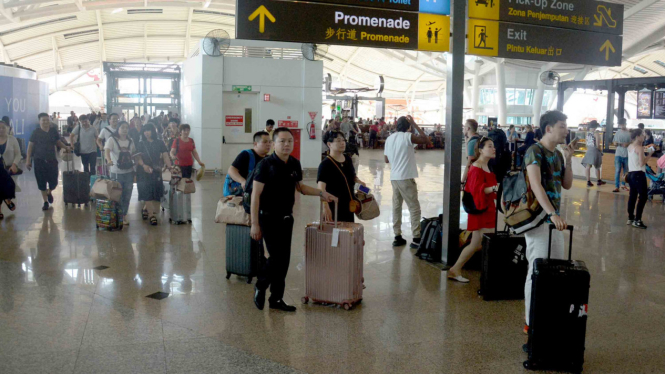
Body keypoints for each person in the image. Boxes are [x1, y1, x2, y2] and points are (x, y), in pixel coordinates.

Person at [251, 128, 337, 312]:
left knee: (284, 261)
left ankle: (276, 299)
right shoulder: (265, 165)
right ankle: (261, 284)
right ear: (274, 144)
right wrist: (254, 223)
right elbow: (255, 196)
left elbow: (300, 187)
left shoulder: (294, 164)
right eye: (282, 141)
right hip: (267, 217)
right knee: (275, 258)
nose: (287, 144)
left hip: (286, 218)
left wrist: (322, 194)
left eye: (290, 141)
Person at [523, 110, 574, 333]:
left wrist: (569, 159)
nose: (566, 130)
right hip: (538, 218)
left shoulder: (558, 154)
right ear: (549, 128)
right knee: (537, 269)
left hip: (553, 220)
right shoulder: (534, 151)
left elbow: (567, 185)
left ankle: (546, 314)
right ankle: (530, 321)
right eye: (562, 126)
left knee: (555, 266)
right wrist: (552, 213)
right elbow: (536, 185)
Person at [448, 137, 498, 282]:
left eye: (493, 146)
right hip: (480, 208)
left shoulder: (487, 165)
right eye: (490, 146)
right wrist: (494, 188)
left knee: (477, 244)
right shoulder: (476, 167)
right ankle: (488, 272)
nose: (493, 148)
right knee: (485, 242)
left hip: (487, 208)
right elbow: (476, 190)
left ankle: (456, 269)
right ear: (481, 150)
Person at [384, 116, 431, 248]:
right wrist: (415, 124)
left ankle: (397, 236)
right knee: (414, 207)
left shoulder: (389, 138)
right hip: (405, 177)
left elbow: (386, 160)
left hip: (394, 177)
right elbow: (426, 140)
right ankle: (416, 238)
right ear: (408, 127)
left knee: (397, 206)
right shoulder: (407, 136)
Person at [26, 113, 72, 211]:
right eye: (43, 120)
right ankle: (45, 202)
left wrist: (66, 147)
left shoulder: (53, 131)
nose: (46, 122)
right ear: (40, 121)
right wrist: (28, 160)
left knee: (54, 182)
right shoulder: (36, 132)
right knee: (41, 182)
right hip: (39, 161)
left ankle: (49, 191)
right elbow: (30, 146)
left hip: (52, 160)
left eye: (47, 120)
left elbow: (57, 142)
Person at [318, 131, 366, 223]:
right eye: (338, 140)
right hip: (334, 206)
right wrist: (325, 206)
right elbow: (321, 188)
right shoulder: (325, 164)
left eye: (343, 140)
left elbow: (352, 176)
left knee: (347, 233)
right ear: (329, 144)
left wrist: (360, 182)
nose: (342, 143)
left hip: (349, 204)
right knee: (336, 234)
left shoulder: (347, 159)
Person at [136, 123, 172, 226]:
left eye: (149, 130)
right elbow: (138, 158)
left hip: (156, 171)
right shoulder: (141, 143)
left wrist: (170, 167)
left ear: (153, 131)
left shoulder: (160, 142)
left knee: (156, 193)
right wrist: (144, 166)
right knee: (147, 192)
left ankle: (145, 209)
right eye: (145, 131)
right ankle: (152, 215)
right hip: (143, 172)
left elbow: (165, 156)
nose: (146, 133)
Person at [104, 121, 136, 225]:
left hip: (129, 172)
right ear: (118, 129)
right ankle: (117, 214)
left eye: (126, 127)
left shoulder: (130, 140)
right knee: (117, 194)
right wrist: (109, 160)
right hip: (116, 172)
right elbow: (107, 151)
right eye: (122, 127)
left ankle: (124, 214)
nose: (125, 129)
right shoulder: (112, 140)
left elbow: (134, 153)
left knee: (127, 194)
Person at [225, 131, 271, 196]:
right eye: (265, 142)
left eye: (270, 142)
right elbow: (231, 170)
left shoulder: (268, 158)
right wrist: (243, 181)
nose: (268, 144)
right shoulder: (246, 154)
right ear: (255, 144)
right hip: (240, 192)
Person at [626, 129, 653, 229]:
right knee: (643, 197)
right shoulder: (639, 148)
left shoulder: (630, 146)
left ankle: (630, 218)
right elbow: (642, 163)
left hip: (631, 174)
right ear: (637, 136)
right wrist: (649, 155)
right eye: (642, 135)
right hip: (639, 174)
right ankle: (637, 220)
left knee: (632, 196)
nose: (644, 137)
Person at [0, 120, 20, 219]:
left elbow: (18, 154)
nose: (1, 130)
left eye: (3, 127)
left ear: (7, 128)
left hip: (8, 169)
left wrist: (14, 164)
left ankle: (7, 200)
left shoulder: (12, 139)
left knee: (8, 187)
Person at [581, 120, 606, 187]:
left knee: (588, 166)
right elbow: (598, 145)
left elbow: (586, 144)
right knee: (597, 166)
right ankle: (598, 181)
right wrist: (601, 151)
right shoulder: (596, 133)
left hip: (589, 150)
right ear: (595, 126)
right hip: (595, 150)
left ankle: (588, 181)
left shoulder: (588, 133)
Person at [612, 118, 631, 193]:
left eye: (622, 124)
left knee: (625, 172)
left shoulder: (629, 133)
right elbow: (614, 142)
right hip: (618, 154)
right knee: (617, 171)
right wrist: (618, 144)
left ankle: (623, 185)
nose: (621, 126)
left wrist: (627, 144)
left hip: (626, 154)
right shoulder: (617, 133)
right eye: (620, 124)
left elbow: (632, 143)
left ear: (625, 124)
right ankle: (617, 186)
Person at [462, 119, 481, 185]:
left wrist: (462, 181)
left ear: (468, 128)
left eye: (464, 127)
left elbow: (469, 163)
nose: (463, 129)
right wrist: (466, 142)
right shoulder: (477, 138)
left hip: (475, 176)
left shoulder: (472, 142)